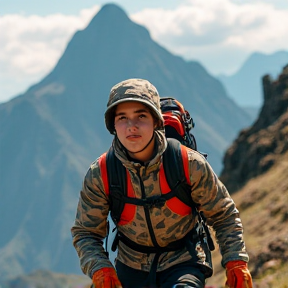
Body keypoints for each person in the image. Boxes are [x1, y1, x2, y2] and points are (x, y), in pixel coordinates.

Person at [71, 78, 253, 288]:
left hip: (184, 262)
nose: (131, 126)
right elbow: (86, 232)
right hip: (130, 266)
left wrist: (235, 261)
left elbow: (223, 215)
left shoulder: (188, 163)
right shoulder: (101, 173)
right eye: (122, 118)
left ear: (157, 121)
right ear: (113, 125)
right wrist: (99, 268)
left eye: (141, 116)